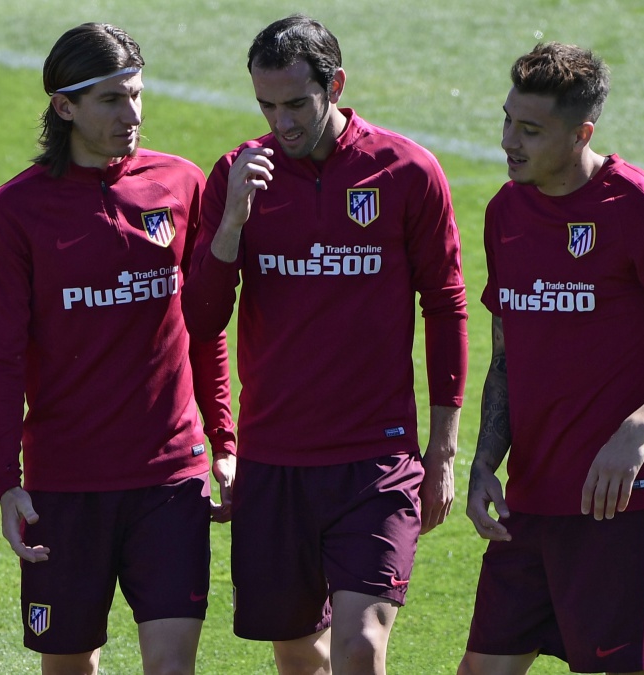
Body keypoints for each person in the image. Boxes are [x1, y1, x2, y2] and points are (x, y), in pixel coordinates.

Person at [182, 15, 468, 675]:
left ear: (334, 85)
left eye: (296, 104)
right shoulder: (236, 175)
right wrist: (231, 223)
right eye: (266, 105)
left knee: (362, 644)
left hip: (375, 458)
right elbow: (202, 319)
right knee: (297, 652)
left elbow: (446, 305)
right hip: (274, 458)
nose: (280, 122)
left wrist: (443, 451)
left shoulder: (405, 172)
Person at [457, 42, 644, 675]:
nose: (509, 141)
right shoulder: (506, 212)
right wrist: (483, 462)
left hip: (622, 508)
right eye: (507, 120)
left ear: (583, 132)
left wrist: (638, 429)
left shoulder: (643, 211)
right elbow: (507, 355)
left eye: (530, 129)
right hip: (529, 506)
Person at [0, 23, 236, 675]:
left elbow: (203, 327)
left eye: (138, 95)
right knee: (69, 665)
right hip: (65, 486)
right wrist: (5, 480)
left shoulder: (179, 184)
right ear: (65, 107)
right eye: (113, 100)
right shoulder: (15, 211)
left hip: (169, 479)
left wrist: (224, 442)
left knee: (172, 666)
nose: (133, 114)